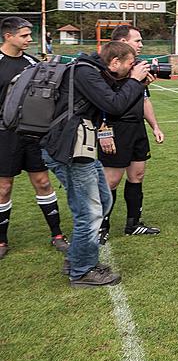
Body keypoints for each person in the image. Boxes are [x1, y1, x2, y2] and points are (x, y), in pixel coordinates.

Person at [42, 41, 150, 287]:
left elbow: (113, 107)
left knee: (102, 200)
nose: (133, 68)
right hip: (69, 148)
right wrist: (133, 81)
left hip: (79, 147)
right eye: (130, 64)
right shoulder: (85, 71)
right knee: (89, 212)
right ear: (114, 63)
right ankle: (81, 270)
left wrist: (136, 82)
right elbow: (114, 105)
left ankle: (77, 258)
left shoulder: (93, 70)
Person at [0, 17, 69, 260]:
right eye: (25, 35)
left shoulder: (32, 63)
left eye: (30, 35)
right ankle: (1, 240)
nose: (30, 40)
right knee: (4, 187)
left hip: (32, 135)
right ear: (8, 36)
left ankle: (57, 234)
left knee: (42, 182)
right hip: (4, 135)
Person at [97, 24, 163, 243]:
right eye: (137, 40)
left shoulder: (137, 69)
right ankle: (101, 225)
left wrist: (154, 126)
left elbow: (144, 100)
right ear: (123, 42)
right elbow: (99, 106)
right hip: (116, 129)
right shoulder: (104, 70)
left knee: (137, 175)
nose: (141, 44)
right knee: (112, 180)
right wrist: (104, 132)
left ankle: (133, 224)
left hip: (137, 129)